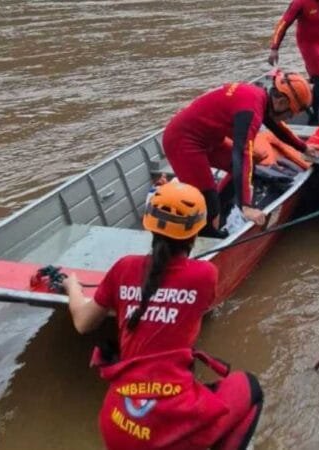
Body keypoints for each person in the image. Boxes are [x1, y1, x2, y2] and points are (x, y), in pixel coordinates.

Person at [64, 181, 263, 450]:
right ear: (196, 232)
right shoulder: (204, 275)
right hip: (166, 423)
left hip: (116, 422)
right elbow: (197, 303)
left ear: (148, 224)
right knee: (250, 388)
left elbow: (83, 323)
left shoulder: (123, 267)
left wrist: (72, 288)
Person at [162, 72, 318, 237]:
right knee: (208, 202)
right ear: (282, 101)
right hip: (183, 142)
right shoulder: (251, 111)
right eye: (290, 113)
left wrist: (304, 148)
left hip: (208, 139)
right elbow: (241, 154)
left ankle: (220, 205)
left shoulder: (260, 99)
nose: (289, 117)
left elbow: (276, 127)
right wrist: (246, 206)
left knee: (248, 163)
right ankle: (207, 237)